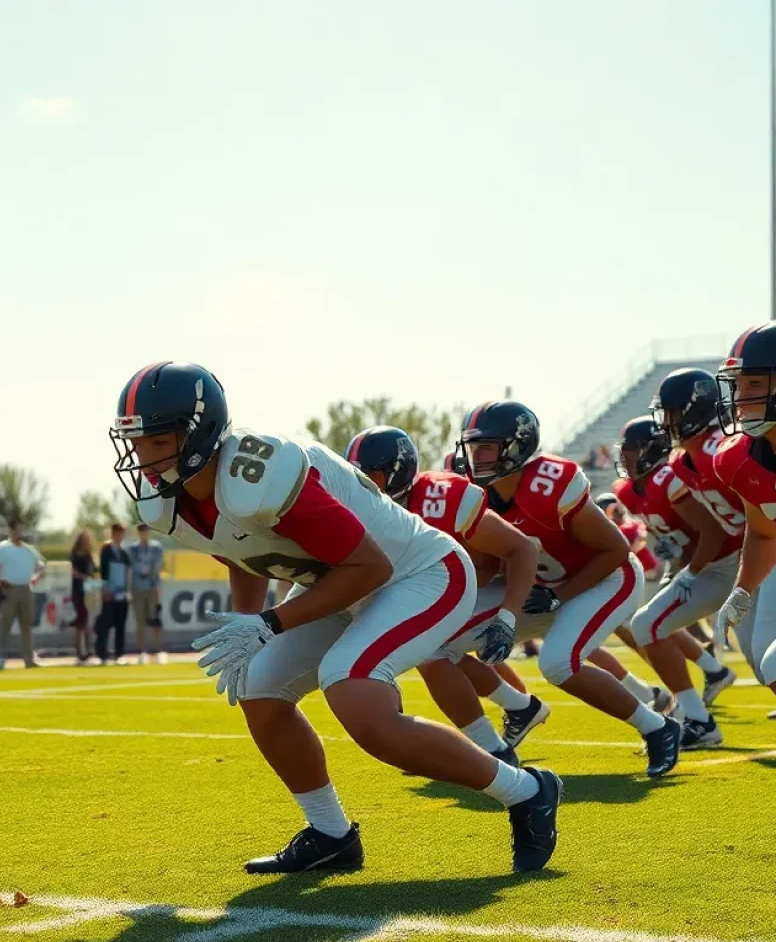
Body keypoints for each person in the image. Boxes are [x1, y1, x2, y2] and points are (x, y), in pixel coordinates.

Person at [111, 361, 561, 875]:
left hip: (421, 574)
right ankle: (330, 834)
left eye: (155, 442)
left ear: (197, 434)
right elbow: (242, 555)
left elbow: (371, 566)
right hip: (346, 586)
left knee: (354, 693)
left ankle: (526, 791)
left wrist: (270, 624)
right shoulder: (178, 497)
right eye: (135, 442)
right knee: (259, 688)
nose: (142, 458)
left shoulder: (261, 473)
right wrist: (246, 627)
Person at [450, 401, 680, 777]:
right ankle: (515, 712)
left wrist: (562, 594)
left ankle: (658, 728)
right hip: (538, 587)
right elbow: (489, 562)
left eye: (486, 447)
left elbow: (615, 550)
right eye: (472, 447)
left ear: (516, 446)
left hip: (605, 579)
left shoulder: (548, 483)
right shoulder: (477, 494)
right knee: (440, 640)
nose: (476, 457)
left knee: (557, 663)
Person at [345, 425, 546, 760]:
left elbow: (521, 549)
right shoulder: (370, 511)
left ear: (397, 475)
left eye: (372, 478)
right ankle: (519, 707)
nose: (362, 487)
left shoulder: (437, 499)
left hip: (496, 582)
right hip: (449, 586)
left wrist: (506, 618)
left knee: (430, 652)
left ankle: (492, 748)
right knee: (431, 648)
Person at [624, 374, 749, 748]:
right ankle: (696, 718)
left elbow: (713, 528)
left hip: (746, 560)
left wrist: (687, 571)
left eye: (674, 413)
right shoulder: (681, 461)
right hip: (722, 566)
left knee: (764, 659)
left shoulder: (715, 450)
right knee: (646, 625)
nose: (667, 423)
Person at [714, 322, 776, 712]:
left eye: (754, 385)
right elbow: (765, 533)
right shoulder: (738, 458)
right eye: (738, 386)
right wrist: (742, 590)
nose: (740, 399)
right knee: (766, 665)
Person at [0, 520, 45, 670]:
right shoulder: (3, 547)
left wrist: (35, 577)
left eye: (20, 530)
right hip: (9, 589)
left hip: (26, 588)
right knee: (5, 625)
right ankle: (1, 658)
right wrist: (0, 581)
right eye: (15, 530)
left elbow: (40, 565)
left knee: (26, 626)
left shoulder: (28, 549)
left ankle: (29, 659)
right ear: (10, 531)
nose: (18, 533)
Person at [130, 522, 166, 664]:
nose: (144, 534)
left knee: (155, 618)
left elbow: (158, 565)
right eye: (141, 531)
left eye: (146, 531)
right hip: (138, 587)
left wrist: (150, 573)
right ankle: (142, 651)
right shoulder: (133, 549)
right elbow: (133, 565)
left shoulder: (156, 548)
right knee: (140, 620)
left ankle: (159, 650)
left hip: (153, 587)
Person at [95, 523, 131, 663]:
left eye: (121, 533)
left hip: (122, 592)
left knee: (120, 624)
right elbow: (103, 571)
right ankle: (102, 654)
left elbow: (128, 572)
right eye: (116, 532)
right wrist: (105, 588)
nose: (119, 536)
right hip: (109, 591)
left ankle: (119, 654)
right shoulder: (106, 550)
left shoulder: (124, 552)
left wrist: (127, 591)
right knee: (106, 623)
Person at [69, 529, 96, 662]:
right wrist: (85, 577)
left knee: (86, 621)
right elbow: (74, 572)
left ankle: (88, 649)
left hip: (89, 591)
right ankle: (79, 651)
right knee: (79, 621)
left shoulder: (89, 556)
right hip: (78, 591)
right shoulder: (75, 555)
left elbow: (94, 571)